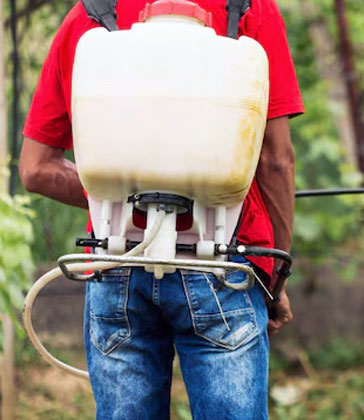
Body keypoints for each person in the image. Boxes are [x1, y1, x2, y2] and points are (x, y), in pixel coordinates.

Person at [18, 0, 303, 418]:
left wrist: (129, 195)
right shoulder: (247, 10)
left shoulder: (91, 15)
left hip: (116, 262)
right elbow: (274, 160)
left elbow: (35, 169)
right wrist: (275, 275)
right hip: (224, 265)